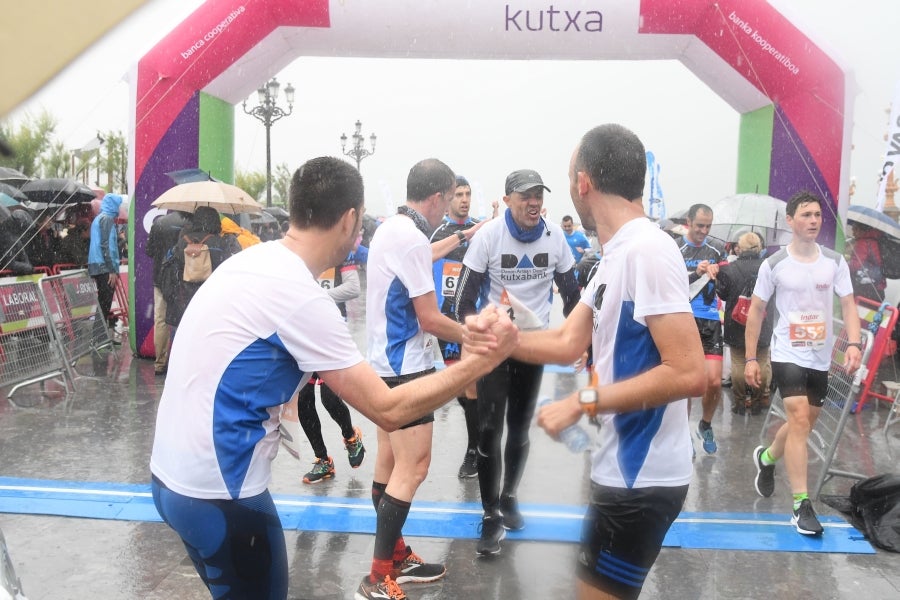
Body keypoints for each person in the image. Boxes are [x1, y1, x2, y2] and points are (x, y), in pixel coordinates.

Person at [149, 156, 518, 600]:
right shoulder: (299, 296)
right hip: (221, 494)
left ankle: (392, 557)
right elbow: (388, 407)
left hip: (170, 478)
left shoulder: (255, 261)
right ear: (349, 219)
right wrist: (480, 360)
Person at [514, 124, 705, 599]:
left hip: (643, 480)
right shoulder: (614, 255)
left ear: (584, 182)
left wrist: (585, 400)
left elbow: (688, 371)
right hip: (617, 471)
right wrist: (488, 339)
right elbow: (564, 341)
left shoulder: (649, 251)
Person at [360, 158, 484, 600]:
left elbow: (419, 258)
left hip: (381, 367)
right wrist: (475, 334)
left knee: (390, 464)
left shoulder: (390, 230)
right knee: (413, 467)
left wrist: (459, 237)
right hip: (408, 368)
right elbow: (429, 319)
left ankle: (395, 558)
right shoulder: (411, 238)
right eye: (449, 200)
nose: (450, 208)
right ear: (436, 197)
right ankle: (377, 577)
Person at [454, 168, 581, 555]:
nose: (534, 203)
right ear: (507, 199)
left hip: (534, 344)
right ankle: (490, 514)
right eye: (525, 196)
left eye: (538, 196)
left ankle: (509, 496)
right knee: (490, 430)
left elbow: (574, 297)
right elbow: (462, 299)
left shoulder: (554, 236)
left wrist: (583, 343)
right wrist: (472, 332)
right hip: (495, 344)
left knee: (520, 428)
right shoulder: (490, 236)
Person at [746, 191, 863, 536]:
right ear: (791, 221)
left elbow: (850, 305)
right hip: (787, 354)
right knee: (797, 418)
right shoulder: (774, 264)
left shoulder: (834, 262)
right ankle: (801, 504)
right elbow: (756, 310)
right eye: (806, 215)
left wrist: (853, 343)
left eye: (817, 215)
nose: (814, 220)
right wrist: (752, 357)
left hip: (821, 356)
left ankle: (766, 459)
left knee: (804, 427)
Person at [280, 250, 367, 484]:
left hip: (330, 331)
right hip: (302, 333)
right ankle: (323, 461)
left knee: (329, 398)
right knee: (305, 399)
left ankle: (351, 437)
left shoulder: (340, 250)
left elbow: (353, 288)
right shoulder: (295, 254)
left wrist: (314, 296)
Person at [429, 174, 486, 479]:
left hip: (474, 320)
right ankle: (478, 436)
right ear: (448, 199)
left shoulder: (480, 229)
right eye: (459, 194)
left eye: (468, 193)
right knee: (462, 392)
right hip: (447, 322)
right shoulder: (438, 233)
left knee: (472, 385)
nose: (464, 199)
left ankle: (475, 450)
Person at [675, 203, 726, 454]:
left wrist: (719, 273)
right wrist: (695, 272)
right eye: (699, 226)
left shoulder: (717, 248)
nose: (704, 231)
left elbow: (727, 284)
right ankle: (684, 434)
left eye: (708, 226)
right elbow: (668, 282)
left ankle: (705, 424)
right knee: (688, 382)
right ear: (688, 221)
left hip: (710, 319)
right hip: (684, 319)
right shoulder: (675, 247)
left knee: (714, 381)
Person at [716, 232, 774, 415]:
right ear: (759, 248)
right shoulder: (769, 268)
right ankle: (758, 400)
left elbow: (723, 294)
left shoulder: (729, 269)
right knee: (762, 361)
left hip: (736, 323)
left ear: (739, 248)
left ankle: (740, 402)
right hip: (762, 322)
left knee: (739, 363)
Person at [163, 206, 236, 331]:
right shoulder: (221, 243)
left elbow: (169, 266)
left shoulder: (182, 242)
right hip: (211, 302)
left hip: (184, 301)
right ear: (216, 222)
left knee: (182, 336)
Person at [144, 210, 191, 376]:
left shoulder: (158, 224)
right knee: (183, 319)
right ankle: (181, 362)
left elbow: (149, 251)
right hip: (182, 278)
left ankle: (160, 363)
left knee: (161, 320)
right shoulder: (189, 224)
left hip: (160, 278)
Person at [87, 193, 124, 332]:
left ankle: (98, 338)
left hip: (96, 265)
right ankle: (98, 339)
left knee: (102, 304)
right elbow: (106, 246)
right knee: (104, 305)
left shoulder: (98, 219)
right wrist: (112, 269)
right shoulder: (107, 219)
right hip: (104, 267)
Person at [846, 220, 886, 303]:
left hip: (864, 290)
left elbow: (855, 265)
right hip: (878, 289)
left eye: (855, 230)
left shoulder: (863, 242)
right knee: (871, 315)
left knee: (853, 314)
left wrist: (843, 264)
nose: (853, 233)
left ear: (861, 230)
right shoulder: (877, 240)